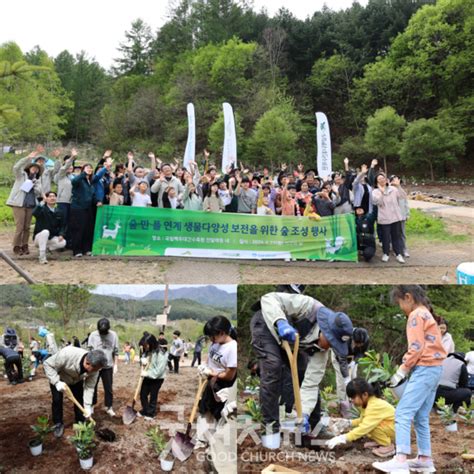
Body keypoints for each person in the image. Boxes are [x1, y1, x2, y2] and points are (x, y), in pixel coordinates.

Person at [250, 290, 353, 438]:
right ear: (326, 331)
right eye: (332, 342)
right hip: (267, 324)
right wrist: (280, 322)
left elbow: (310, 383)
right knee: (273, 366)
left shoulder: (321, 351)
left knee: (303, 372)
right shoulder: (309, 307)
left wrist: (303, 413)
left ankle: (311, 427)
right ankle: (270, 430)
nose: (330, 347)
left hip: (293, 344)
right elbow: (268, 298)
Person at [373, 285, 446, 473]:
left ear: (408, 297)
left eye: (400, 303)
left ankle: (400, 459)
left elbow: (416, 347)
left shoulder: (415, 316)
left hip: (424, 369)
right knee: (421, 416)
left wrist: (402, 370)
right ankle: (424, 458)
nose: (401, 308)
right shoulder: (428, 314)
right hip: (436, 369)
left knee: (403, 413)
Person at [43, 346, 107, 438]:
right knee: (57, 400)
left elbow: (89, 387)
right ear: (88, 363)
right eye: (95, 369)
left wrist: (88, 406)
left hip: (76, 380)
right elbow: (47, 364)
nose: (96, 371)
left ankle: (80, 423)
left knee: (79, 399)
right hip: (58, 377)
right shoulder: (67, 354)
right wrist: (56, 382)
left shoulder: (95, 369)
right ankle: (58, 423)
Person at [326, 378, 395, 458]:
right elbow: (363, 420)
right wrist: (348, 423)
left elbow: (364, 428)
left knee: (370, 428)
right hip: (390, 426)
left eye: (354, 398)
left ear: (365, 395)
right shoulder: (366, 403)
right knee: (369, 426)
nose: (352, 401)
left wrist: (343, 438)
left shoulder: (373, 406)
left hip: (396, 429)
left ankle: (388, 446)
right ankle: (380, 441)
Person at [196, 316, 237, 448]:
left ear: (222, 333)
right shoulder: (215, 343)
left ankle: (215, 444)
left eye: (212, 336)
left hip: (222, 387)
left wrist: (211, 373)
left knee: (218, 414)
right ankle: (202, 439)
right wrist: (204, 366)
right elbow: (209, 358)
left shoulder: (232, 348)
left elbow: (229, 376)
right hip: (210, 382)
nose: (211, 340)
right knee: (204, 410)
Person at [70, 162, 110, 257]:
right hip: (78, 208)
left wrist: (97, 201)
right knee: (79, 229)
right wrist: (84, 173)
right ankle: (77, 250)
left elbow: (92, 195)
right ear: (83, 170)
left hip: (88, 208)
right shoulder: (79, 180)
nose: (89, 169)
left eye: (90, 168)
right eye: (87, 167)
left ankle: (87, 249)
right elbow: (74, 181)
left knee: (88, 229)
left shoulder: (90, 182)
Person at [7, 150, 43, 255]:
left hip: (30, 204)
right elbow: (16, 167)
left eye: (37, 169)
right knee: (20, 227)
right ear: (29, 168)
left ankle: (25, 245)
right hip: (19, 204)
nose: (35, 169)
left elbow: (38, 192)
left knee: (27, 227)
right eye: (33, 167)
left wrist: (35, 184)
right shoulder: (21, 176)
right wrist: (28, 157)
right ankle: (16, 246)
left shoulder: (37, 180)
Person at [371, 172, 406, 264]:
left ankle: (398, 254)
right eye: (379, 179)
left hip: (395, 217)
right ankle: (385, 253)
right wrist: (382, 193)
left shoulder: (393, 189)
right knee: (386, 237)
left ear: (386, 179)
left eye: (383, 178)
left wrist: (399, 186)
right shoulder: (375, 192)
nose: (382, 180)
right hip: (384, 218)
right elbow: (379, 203)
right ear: (376, 182)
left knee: (396, 236)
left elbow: (402, 196)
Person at [87, 318, 119, 417]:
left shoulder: (113, 335)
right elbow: (90, 351)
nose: (103, 333)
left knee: (108, 388)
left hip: (108, 366)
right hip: (95, 366)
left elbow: (116, 351)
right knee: (93, 386)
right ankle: (91, 405)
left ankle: (109, 407)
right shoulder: (93, 335)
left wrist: (116, 365)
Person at [139, 333, 168, 420]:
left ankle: (151, 413)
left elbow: (159, 370)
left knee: (153, 395)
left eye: (146, 345)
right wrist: (142, 361)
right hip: (147, 376)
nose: (145, 347)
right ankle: (145, 410)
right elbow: (144, 358)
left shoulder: (161, 353)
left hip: (157, 378)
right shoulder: (148, 350)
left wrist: (147, 373)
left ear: (151, 343)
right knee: (143, 394)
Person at [32, 191, 67, 264]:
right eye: (50, 196)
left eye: (54, 196)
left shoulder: (59, 211)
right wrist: (42, 202)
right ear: (46, 199)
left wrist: (61, 234)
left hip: (50, 238)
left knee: (63, 242)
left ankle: (46, 249)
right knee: (45, 232)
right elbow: (35, 213)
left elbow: (62, 226)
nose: (52, 198)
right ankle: (42, 257)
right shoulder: (42, 209)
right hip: (39, 237)